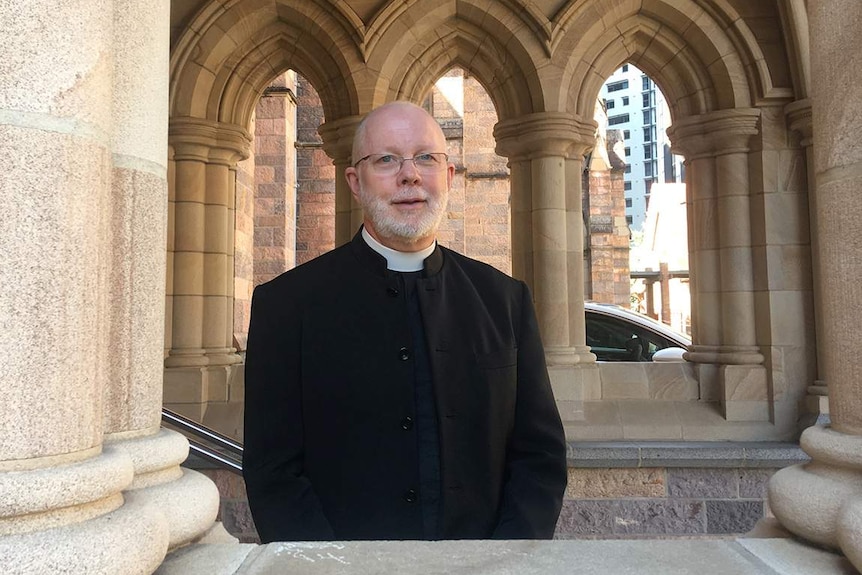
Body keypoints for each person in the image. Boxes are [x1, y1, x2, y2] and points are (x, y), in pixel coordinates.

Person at [242, 101, 567, 543]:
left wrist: (503, 561)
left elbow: (539, 456)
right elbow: (272, 470)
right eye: (387, 159)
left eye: (426, 158)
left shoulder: (504, 300)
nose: (410, 175)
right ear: (355, 182)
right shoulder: (286, 306)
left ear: (448, 176)